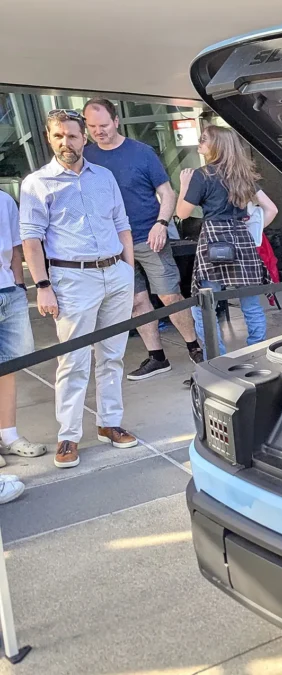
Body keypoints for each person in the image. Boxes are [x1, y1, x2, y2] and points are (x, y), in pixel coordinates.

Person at [20, 109, 140, 470]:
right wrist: (42, 286)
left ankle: (109, 422)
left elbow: (122, 224)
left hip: (114, 274)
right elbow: (31, 240)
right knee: (72, 361)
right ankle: (68, 436)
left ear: (83, 137)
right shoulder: (37, 183)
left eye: (72, 136)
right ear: (48, 138)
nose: (65, 143)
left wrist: (128, 271)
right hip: (72, 280)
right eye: (58, 136)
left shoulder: (103, 177)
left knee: (112, 355)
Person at [82, 98, 203, 380]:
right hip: (113, 245)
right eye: (92, 127)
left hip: (149, 237)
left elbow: (168, 193)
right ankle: (157, 357)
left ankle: (195, 348)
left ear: (116, 121)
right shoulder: (87, 157)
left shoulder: (142, 153)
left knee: (170, 294)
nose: (98, 131)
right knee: (136, 301)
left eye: (103, 125)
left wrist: (161, 224)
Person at [177, 125, 278, 360]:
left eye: (204, 139)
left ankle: (217, 359)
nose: (199, 143)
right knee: (251, 304)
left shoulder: (202, 175)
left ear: (217, 146)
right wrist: (252, 229)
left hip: (212, 240)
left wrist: (183, 186)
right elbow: (271, 209)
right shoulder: (243, 175)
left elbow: (182, 213)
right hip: (241, 238)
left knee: (204, 307)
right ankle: (256, 353)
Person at [0, 191, 48, 464]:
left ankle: (9, 436)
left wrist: (19, 286)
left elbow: (16, 249)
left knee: (7, 368)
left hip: (8, 289)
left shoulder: (4, 201)